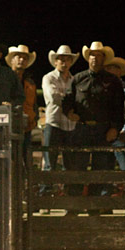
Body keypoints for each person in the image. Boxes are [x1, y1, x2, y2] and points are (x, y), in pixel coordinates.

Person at [62, 41, 124, 199]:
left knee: (101, 168)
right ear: (88, 58)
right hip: (82, 129)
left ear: (104, 59)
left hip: (103, 130)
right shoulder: (78, 79)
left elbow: (119, 108)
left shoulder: (113, 81)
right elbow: (66, 101)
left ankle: (96, 207)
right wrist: (69, 113)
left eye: (98, 55)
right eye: (92, 55)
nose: (95, 58)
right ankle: (75, 206)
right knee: (77, 168)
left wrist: (115, 128)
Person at [41, 45, 80, 183]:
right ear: (55, 61)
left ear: (71, 62)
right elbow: (54, 97)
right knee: (49, 161)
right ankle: (46, 192)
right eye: (61, 59)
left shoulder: (74, 79)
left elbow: (64, 97)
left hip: (69, 125)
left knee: (69, 163)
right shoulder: (48, 78)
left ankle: (67, 193)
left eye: (67, 59)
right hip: (55, 123)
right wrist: (70, 107)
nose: (64, 62)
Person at [6, 45, 38, 157]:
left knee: (26, 157)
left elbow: (34, 103)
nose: (22, 60)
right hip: (9, 127)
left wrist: (34, 118)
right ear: (12, 60)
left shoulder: (30, 83)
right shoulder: (5, 79)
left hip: (26, 127)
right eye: (19, 57)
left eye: (25, 58)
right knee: (10, 157)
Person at [104, 56, 125, 174]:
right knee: (106, 159)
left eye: (115, 68)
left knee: (121, 153)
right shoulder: (104, 87)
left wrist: (124, 129)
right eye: (109, 67)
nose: (112, 70)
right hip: (106, 128)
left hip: (121, 129)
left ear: (119, 71)